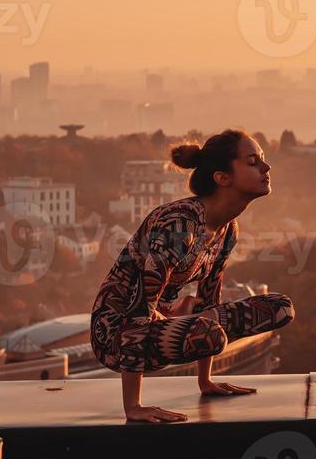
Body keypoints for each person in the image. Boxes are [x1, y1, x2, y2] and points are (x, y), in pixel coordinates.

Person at [89, 129, 295, 423]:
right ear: (222, 178)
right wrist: (133, 407)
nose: (266, 167)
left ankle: (201, 366)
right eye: (253, 162)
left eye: (263, 160)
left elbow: (209, 303)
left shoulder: (227, 230)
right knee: (208, 334)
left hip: (160, 324)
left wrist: (205, 381)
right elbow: (138, 310)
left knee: (279, 308)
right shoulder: (179, 224)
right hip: (117, 334)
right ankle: (135, 398)